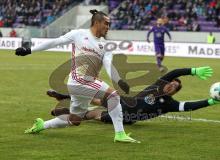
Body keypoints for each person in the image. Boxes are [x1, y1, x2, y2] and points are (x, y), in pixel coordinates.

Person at [15, 9, 139, 143]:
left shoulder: (106, 45)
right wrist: (29, 50)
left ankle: (42, 125)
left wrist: (118, 80)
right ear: (96, 22)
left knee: (75, 120)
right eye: (106, 24)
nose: (108, 27)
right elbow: (55, 42)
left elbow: (108, 64)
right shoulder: (79, 34)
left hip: (86, 84)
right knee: (113, 96)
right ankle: (120, 134)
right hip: (78, 80)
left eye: (109, 24)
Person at [47, 66, 220, 124]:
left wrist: (210, 101)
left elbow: (189, 106)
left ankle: (63, 112)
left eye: (174, 87)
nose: (171, 86)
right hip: (125, 101)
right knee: (96, 97)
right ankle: (63, 95)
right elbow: (173, 72)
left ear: (174, 92)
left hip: (126, 117)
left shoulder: (168, 104)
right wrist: (193, 70)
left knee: (91, 114)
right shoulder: (159, 84)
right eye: (171, 83)